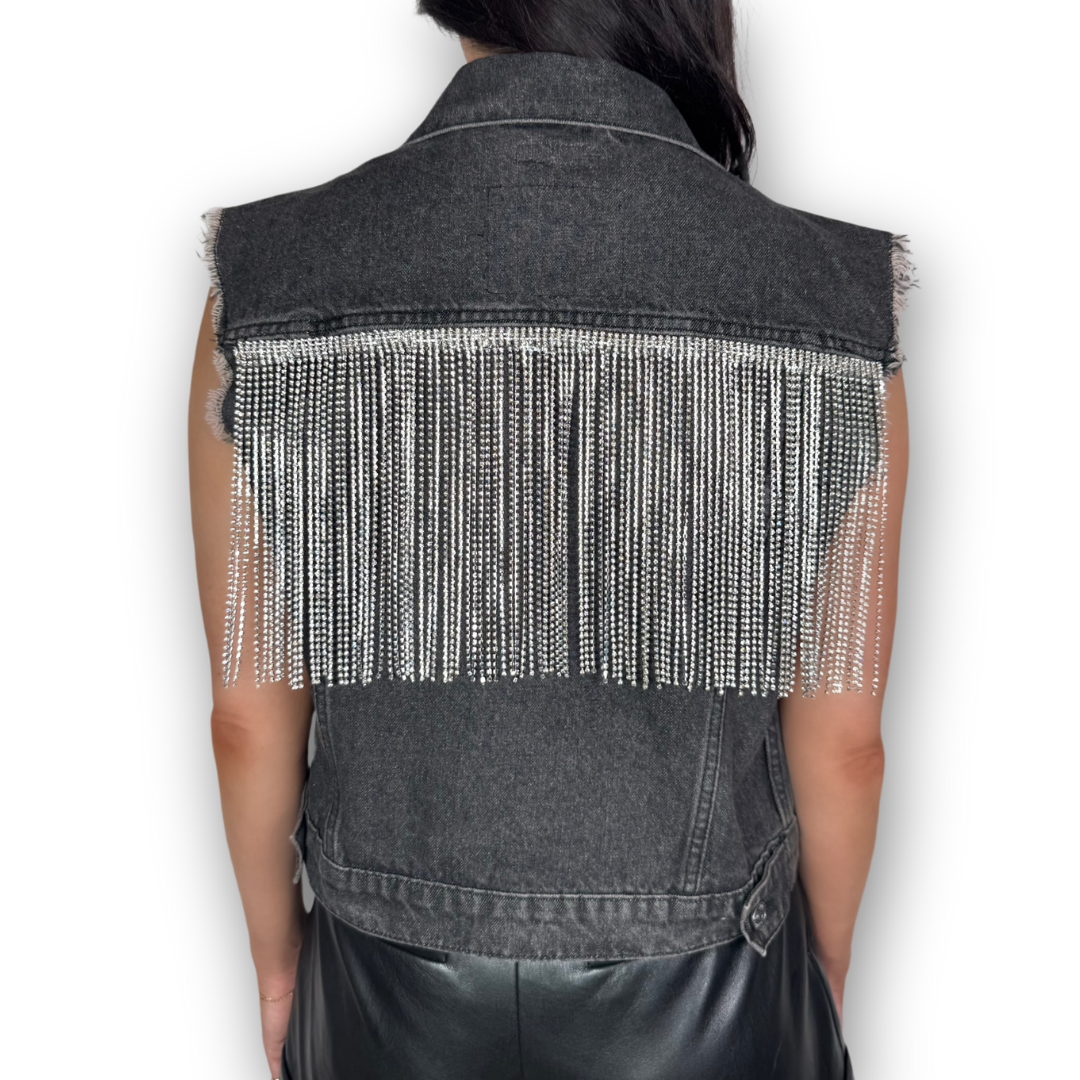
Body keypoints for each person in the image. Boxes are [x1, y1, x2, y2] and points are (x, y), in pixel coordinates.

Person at [188, 2, 910, 1076]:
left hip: (383, 981)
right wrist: (824, 974)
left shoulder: (269, 281)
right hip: (707, 983)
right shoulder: (832, 302)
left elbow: (249, 721)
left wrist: (279, 968)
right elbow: (843, 744)